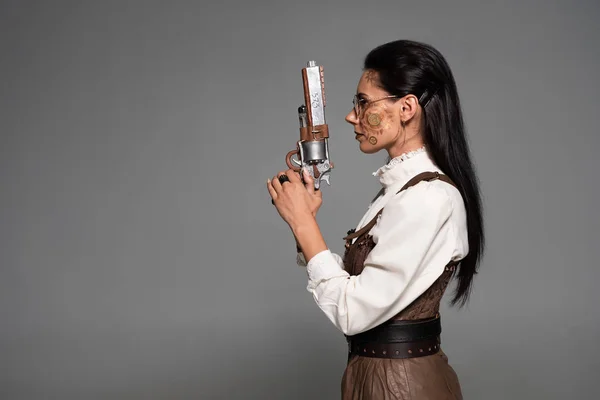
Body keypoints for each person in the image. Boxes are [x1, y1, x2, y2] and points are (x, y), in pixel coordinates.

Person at [266, 39, 484, 400]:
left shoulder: (427, 198)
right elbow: (361, 287)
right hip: (375, 376)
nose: (352, 116)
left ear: (407, 108)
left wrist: (305, 224)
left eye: (363, 102)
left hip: (401, 387)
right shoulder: (399, 191)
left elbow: (353, 310)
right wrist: (302, 225)